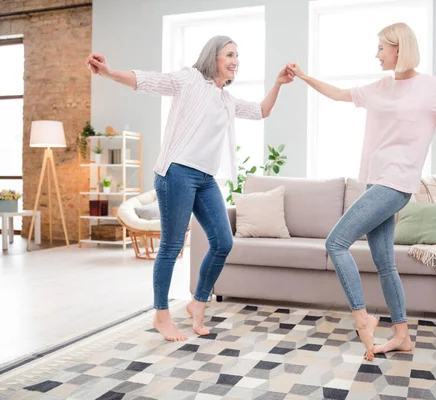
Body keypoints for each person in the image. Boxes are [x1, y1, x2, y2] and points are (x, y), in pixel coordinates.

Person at [286, 22, 436, 360]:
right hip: (375, 181)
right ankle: (402, 336)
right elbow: (338, 93)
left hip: (397, 183)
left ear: (398, 49)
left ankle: (363, 319)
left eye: (381, 48)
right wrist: (304, 77)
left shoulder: (430, 88)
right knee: (385, 264)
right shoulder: (381, 86)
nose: (376, 55)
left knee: (336, 242)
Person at [86, 35, 293, 342]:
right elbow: (148, 81)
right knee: (171, 246)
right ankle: (161, 314)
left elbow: (262, 110)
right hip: (177, 173)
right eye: (230, 54)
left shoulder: (226, 99)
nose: (236, 60)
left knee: (223, 241)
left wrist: (277, 83)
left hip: (205, 179)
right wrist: (109, 72)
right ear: (213, 57)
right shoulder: (190, 79)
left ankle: (198, 301)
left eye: (238, 56)